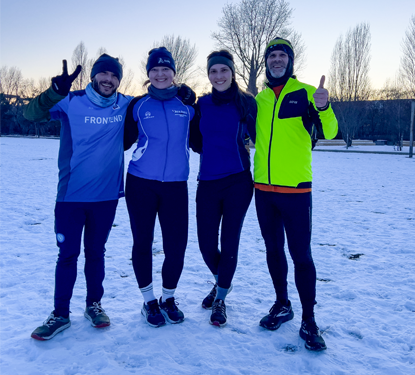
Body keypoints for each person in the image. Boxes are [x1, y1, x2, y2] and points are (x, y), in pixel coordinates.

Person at [24, 54, 132, 340]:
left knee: (96, 254)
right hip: (70, 197)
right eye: (103, 74)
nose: (108, 80)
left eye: (114, 76)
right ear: (93, 76)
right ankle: (60, 314)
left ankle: (94, 305)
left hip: (106, 198)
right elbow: (30, 114)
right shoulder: (70, 101)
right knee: (68, 255)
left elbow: (158, 100)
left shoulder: (126, 104)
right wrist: (53, 92)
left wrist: (185, 95)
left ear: (119, 80)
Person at [254, 38, 338, 351]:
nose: (277, 60)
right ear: (267, 61)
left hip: (296, 191)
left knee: (301, 255)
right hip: (263, 191)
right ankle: (282, 304)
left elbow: (330, 132)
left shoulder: (305, 93)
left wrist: (324, 106)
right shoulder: (260, 100)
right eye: (272, 56)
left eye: (282, 56)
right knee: (273, 251)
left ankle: (309, 319)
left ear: (290, 61)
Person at [124, 47, 195, 328]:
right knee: (143, 242)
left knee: (176, 247)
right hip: (141, 184)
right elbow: (121, 140)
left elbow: (204, 140)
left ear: (174, 73)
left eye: (166, 69)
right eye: (155, 70)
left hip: (176, 186)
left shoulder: (188, 106)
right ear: (148, 74)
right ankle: (148, 301)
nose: (160, 74)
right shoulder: (138, 106)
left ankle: (168, 298)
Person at [190, 50, 256, 327]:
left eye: (223, 70)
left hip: (238, 182)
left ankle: (220, 299)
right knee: (206, 244)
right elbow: (194, 142)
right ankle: (222, 284)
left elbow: (260, 135)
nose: (218, 76)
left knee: (229, 243)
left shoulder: (247, 103)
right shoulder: (200, 104)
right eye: (213, 71)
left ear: (232, 73)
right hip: (207, 182)